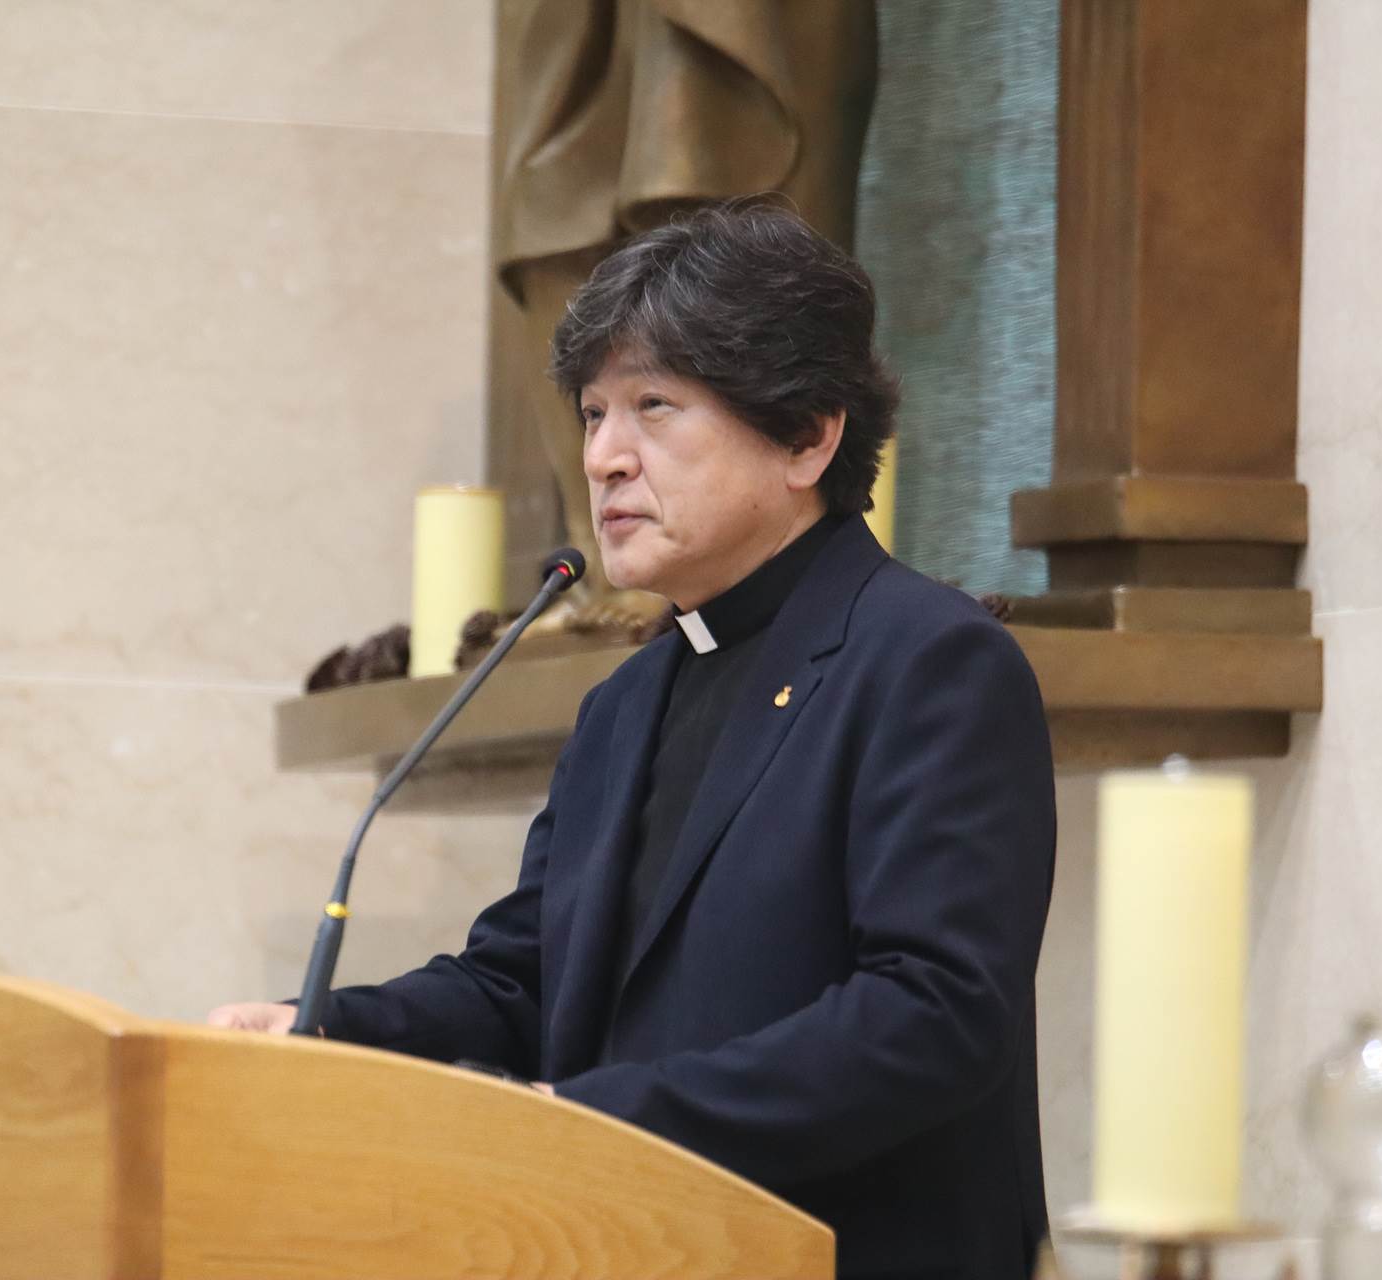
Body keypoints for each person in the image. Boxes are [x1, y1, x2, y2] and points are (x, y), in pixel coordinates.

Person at [211, 200, 1056, 1280]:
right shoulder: (627, 701)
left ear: (809, 434)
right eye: (594, 413)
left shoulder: (930, 660)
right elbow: (522, 981)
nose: (605, 457)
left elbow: (932, 1014)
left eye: (654, 406)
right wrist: (323, 1036)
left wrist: (595, 1124)